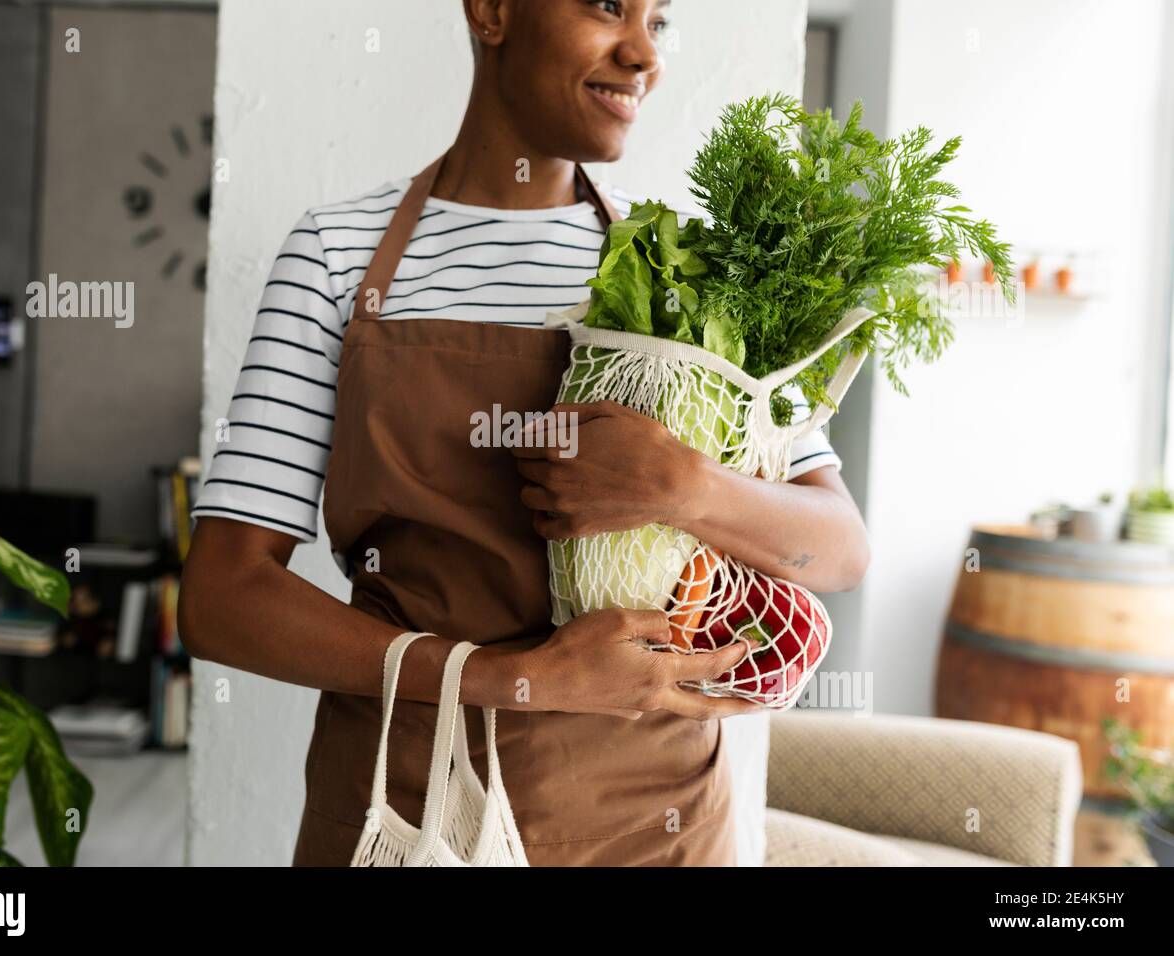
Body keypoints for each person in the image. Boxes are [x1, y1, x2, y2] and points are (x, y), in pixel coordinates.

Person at [179, 0, 870, 866]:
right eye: (610, 7)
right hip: (409, 811)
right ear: (494, 11)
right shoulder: (337, 258)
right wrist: (518, 679)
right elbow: (222, 599)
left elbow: (837, 551)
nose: (641, 53)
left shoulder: (682, 275)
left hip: (662, 821)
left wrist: (683, 487)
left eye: (661, 21)